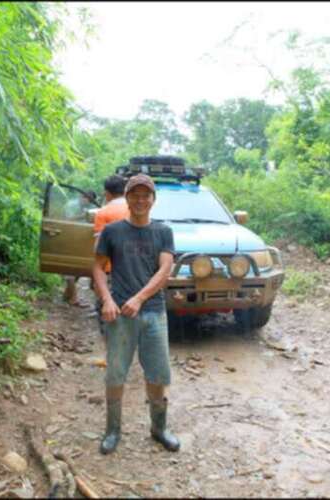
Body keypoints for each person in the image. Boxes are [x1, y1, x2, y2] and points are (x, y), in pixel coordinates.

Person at [92, 173, 180, 455]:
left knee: (156, 374)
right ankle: (112, 431)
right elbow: (96, 267)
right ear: (127, 198)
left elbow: (165, 270)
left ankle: (159, 429)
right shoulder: (113, 231)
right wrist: (106, 299)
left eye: (146, 195)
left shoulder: (163, 232)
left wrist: (140, 298)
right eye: (135, 194)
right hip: (119, 315)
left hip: (154, 313)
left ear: (153, 200)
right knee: (115, 374)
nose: (141, 200)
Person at [92, 175, 129, 336]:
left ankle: (110, 335)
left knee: (107, 303)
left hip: (109, 269)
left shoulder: (103, 213)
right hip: (132, 268)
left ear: (107, 193)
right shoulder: (135, 209)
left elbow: (98, 248)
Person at [63, 190, 97, 307]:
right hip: (68, 237)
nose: (88, 202)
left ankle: (67, 294)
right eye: (87, 199)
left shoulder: (86, 207)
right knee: (70, 268)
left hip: (78, 240)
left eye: (90, 201)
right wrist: (83, 216)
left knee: (78, 268)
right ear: (82, 196)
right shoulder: (72, 205)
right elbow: (68, 221)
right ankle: (73, 298)